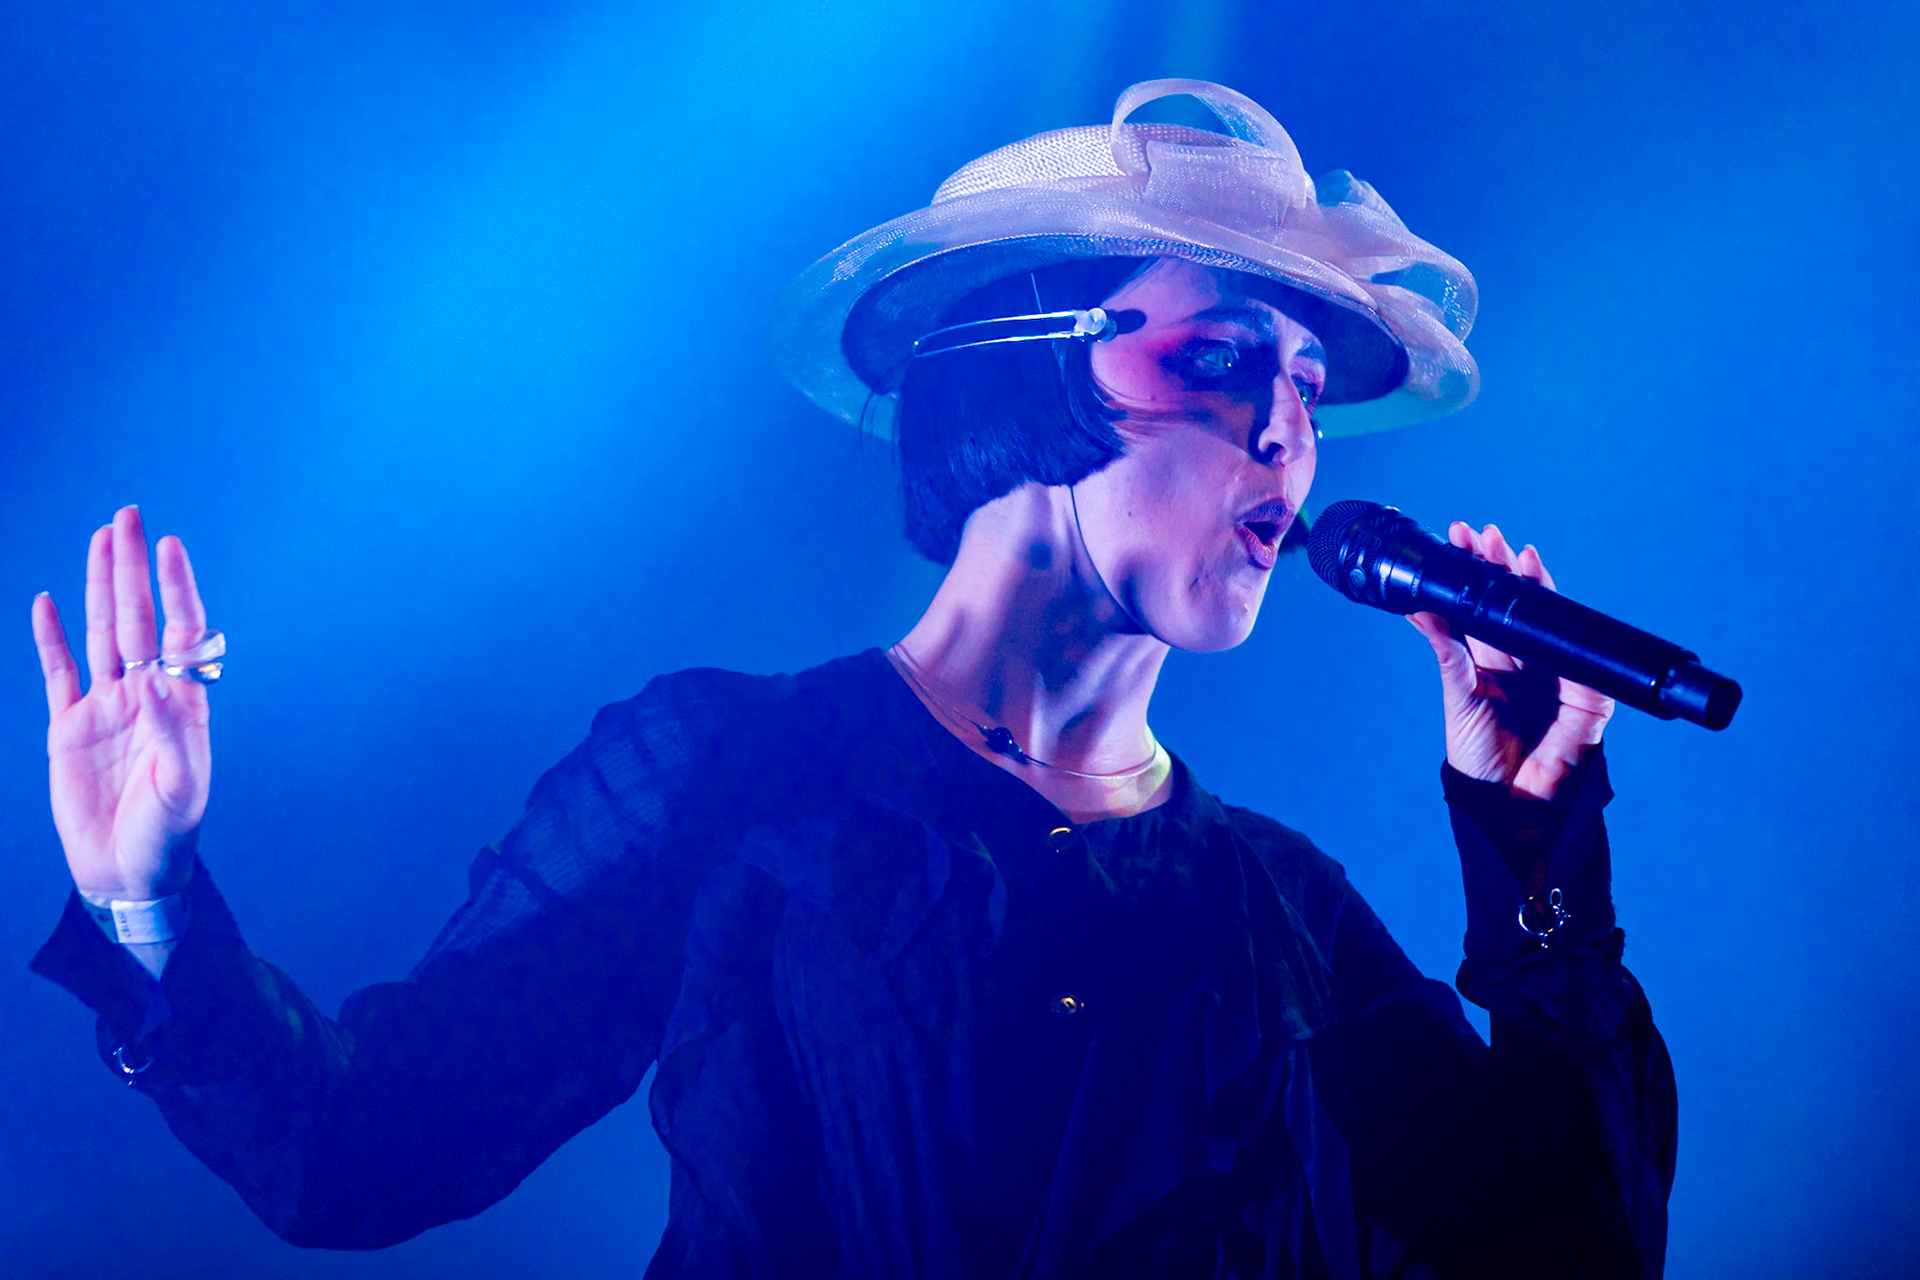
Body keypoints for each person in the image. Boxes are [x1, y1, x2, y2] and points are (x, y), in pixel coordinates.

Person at [28, 79, 1676, 1278]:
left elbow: (1563, 1254)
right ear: (1022, 361)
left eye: (1312, 386)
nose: (1289, 434)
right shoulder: (732, 776)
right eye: (1225, 355)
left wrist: (1532, 848)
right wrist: (152, 901)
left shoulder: (1280, 911)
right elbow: (364, 1152)